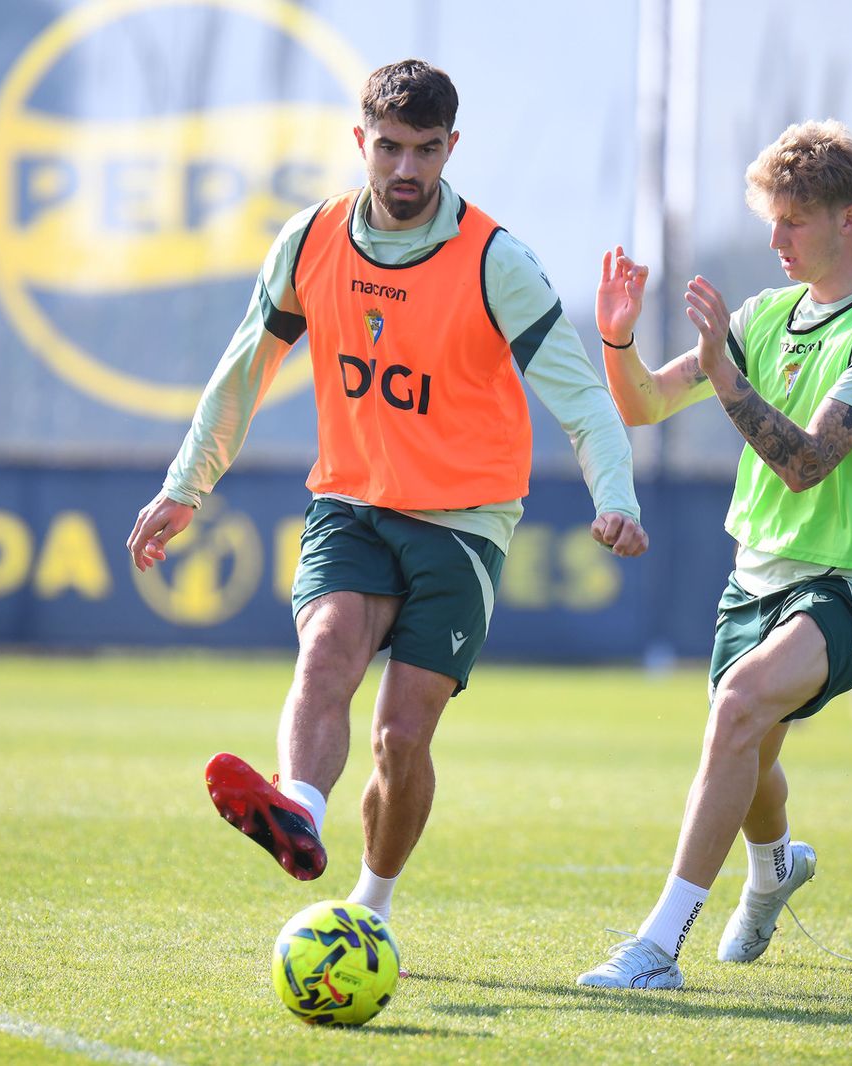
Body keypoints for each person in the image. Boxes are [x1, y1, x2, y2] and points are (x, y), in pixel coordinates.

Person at [126, 60, 648, 932]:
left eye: (427, 150)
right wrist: (186, 488)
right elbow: (242, 373)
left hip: (463, 522)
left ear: (452, 148)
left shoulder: (495, 259)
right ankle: (297, 808)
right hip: (353, 503)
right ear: (360, 141)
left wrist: (617, 496)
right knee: (326, 650)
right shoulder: (311, 240)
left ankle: (371, 901)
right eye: (392, 148)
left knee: (402, 738)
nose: (407, 170)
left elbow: (583, 395)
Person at [576, 119, 852, 988]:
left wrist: (728, 378)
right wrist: (619, 340)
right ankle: (774, 869)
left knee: (737, 707)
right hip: (756, 579)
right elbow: (645, 406)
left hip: (850, 585)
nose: (773, 240)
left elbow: (808, 464)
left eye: (793, 222)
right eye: (770, 220)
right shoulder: (763, 316)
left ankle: (658, 947)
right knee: (753, 759)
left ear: (848, 218)